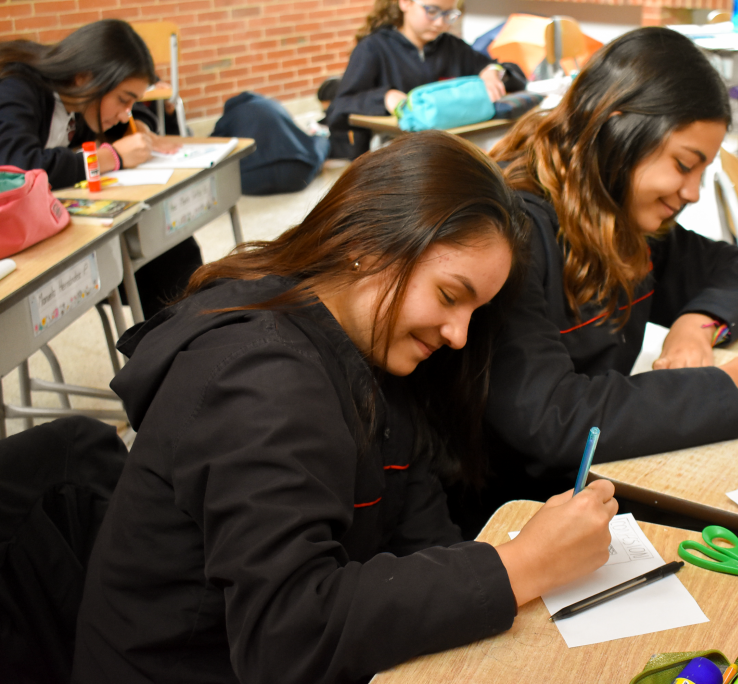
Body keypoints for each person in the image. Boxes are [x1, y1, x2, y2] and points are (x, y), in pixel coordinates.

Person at [71, 132, 619, 684]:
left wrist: (513, 572)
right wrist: (519, 566)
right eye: (450, 296)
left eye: (474, 311)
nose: (458, 335)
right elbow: (287, 637)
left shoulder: (375, 359)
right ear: (368, 244)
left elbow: (423, 539)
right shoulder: (262, 380)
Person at [462, 28, 738, 534]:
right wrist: (729, 389)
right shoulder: (513, 233)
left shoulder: (621, 211)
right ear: (617, 129)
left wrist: (697, 322)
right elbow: (551, 418)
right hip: (507, 517)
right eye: (684, 164)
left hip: (596, 487)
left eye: (702, 171)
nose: (692, 192)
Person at [0, 19, 201, 318]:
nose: (124, 114)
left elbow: (131, 114)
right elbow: (17, 167)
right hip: (15, 243)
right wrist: (110, 158)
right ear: (85, 78)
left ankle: (188, 336)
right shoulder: (18, 87)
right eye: (123, 100)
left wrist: (140, 127)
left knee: (170, 250)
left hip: (49, 223)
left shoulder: (80, 102)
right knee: (156, 267)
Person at [322, 0, 525, 159]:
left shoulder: (453, 47)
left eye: (449, 14)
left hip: (448, 156)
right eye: (432, 11)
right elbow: (338, 109)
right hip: (391, 162)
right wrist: (384, 97)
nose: (440, 23)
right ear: (405, 3)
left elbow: (515, 76)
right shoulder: (373, 49)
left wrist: (492, 71)